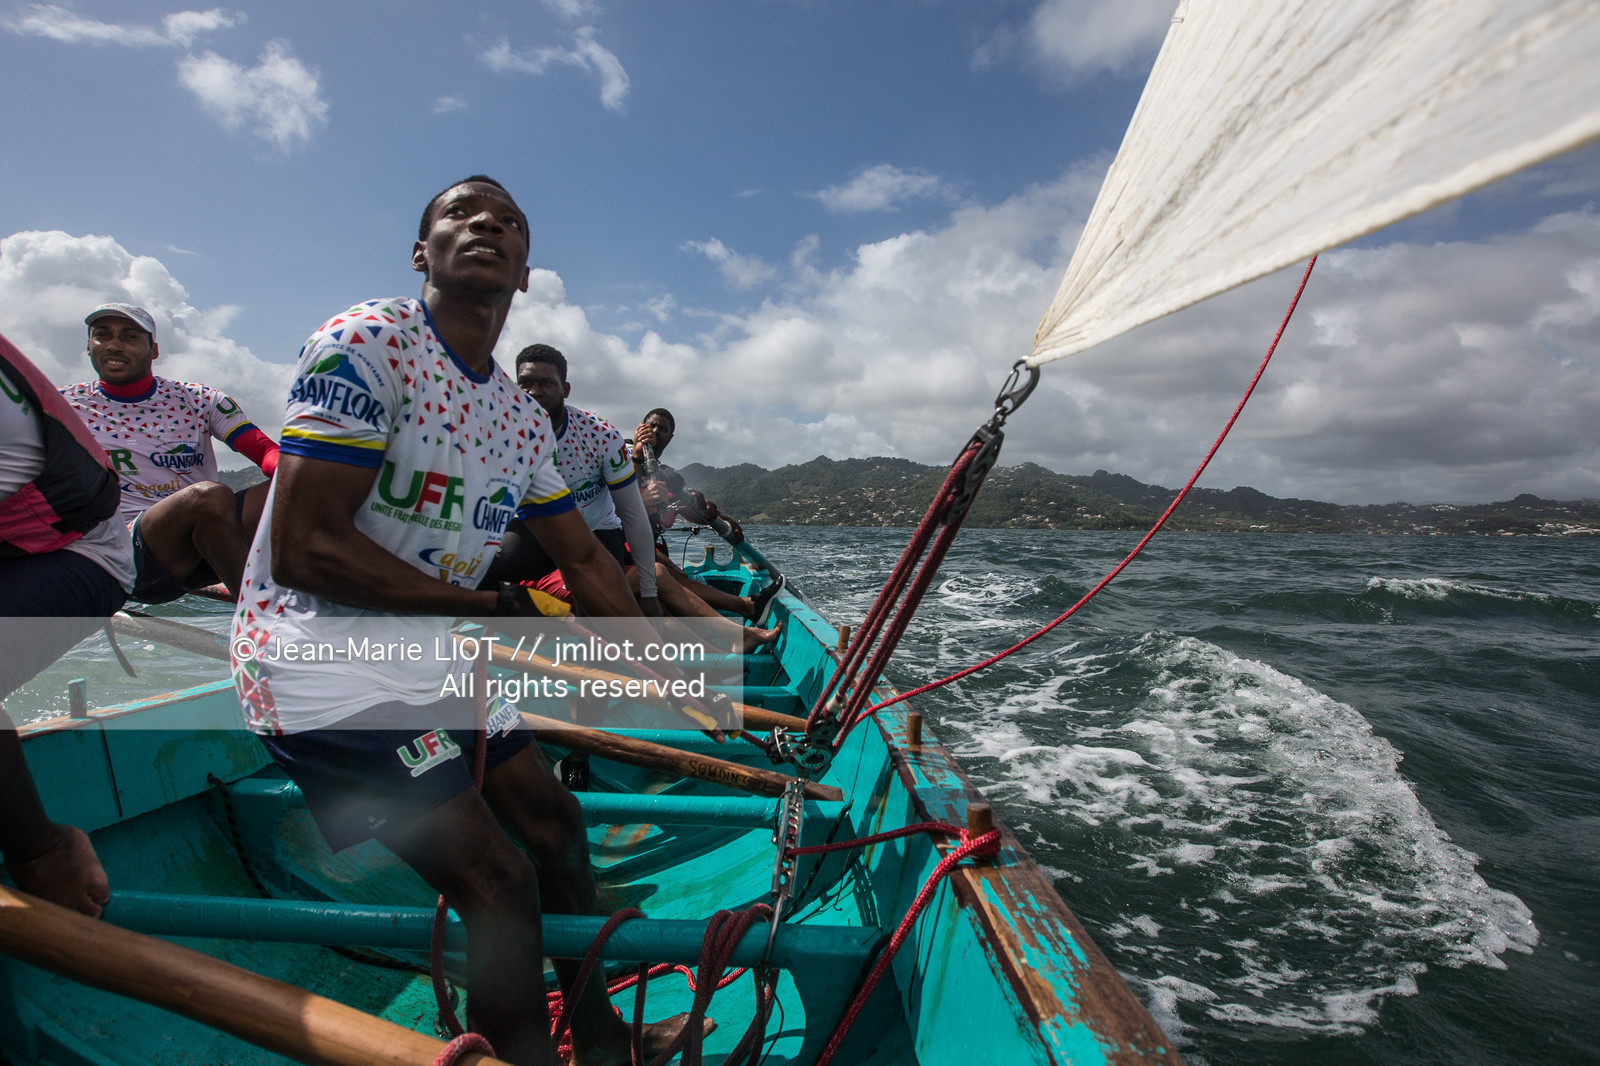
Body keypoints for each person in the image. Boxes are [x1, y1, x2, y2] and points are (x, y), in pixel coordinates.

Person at [229, 176, 702, 1066]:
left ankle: (602, 1043)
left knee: (557, 827)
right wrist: (490, 606)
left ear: (525, 273)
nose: (486, 224)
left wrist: (663, 671)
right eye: (461, 214)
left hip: (427, 657)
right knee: (498, 879)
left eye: (510, 223)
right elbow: (303, 549)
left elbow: (591, 559)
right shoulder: (367, 343)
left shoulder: (521, 419)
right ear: (422, 253)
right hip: (314, 662)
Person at [0, 331, 132, 919]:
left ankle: (43, 849)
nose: (115, 345)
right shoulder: (82, 394)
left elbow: (259, 450)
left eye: (131, 335)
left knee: (206, 500)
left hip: (80, 554)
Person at [59, 303, 278, 603]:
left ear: (154, 350)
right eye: (101, 335)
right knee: (207, 496)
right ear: (88, 346)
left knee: (302, 480)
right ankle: (257, 614)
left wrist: (305, 474)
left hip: (210, 543)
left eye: (130, 337)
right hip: (125, 557)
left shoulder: (199, 399)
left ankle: (332, 594)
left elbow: (265, 451)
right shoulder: (60, 407)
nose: (113, 345)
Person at [484, 343, 661, 614]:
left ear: (565, 390)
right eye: (525, 383)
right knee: (480, 571)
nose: (534, 392)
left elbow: (633, 514)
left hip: (594, 530)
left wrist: (649, 593)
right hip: (534, 527)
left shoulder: (601, 436)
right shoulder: (499, 432)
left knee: (595, 604)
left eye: (546, 383)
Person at [632, 409, 785, 626]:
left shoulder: (666, 476)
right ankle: (746, 608)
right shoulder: (623, 457)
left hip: (648, 546)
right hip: (627, 545)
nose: (656, 431)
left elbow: (690, 509)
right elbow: (621, 502)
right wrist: (637, 453)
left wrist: (721, 519)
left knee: (674, 577)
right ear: (640, 427)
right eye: (652, 426)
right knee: (669, 574)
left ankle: (742, 613)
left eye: (663, 428)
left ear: (670, 437)